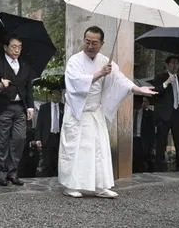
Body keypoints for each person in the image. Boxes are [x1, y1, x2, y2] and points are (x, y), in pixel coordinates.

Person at [59, 26, 156, 198]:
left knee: (98, 150)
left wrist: (137, 89)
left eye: (94, 43)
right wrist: (98, 74)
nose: (89, 46)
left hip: (95, 111)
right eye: (87, 42)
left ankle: (100, 186)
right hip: (77, 112)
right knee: (76, 149)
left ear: (102, 44)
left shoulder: (106, 61)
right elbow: (74, 83)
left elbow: (120, 80)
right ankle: (70, 185)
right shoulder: (74, 60)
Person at [0, 34, 35, 187]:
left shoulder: (24, 65)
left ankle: (13, 173)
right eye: (13, 46)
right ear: (5, 47)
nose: (17, 50)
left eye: (19, 47)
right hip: (3, 107)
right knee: (2, 141)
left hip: (20, 107)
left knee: (19, 139)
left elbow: (28, 87)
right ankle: (1, 173)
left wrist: (30, 106)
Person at [152, 55, 179, 172]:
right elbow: (155, 92)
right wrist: (167, 82)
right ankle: (160, 167)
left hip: (178, 113)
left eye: (177, 63)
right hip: (164, 114)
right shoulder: (160, 77)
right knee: (161, 141)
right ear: (167, 65)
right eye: (172, 63)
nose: (175, 66)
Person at [35, 88, 64, 177]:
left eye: (58, 94)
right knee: (46, 161)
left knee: (58, 161)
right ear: (51, 95)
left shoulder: (64, 107)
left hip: (59, 137)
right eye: (54, 94)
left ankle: (56, 178)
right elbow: (39, 124)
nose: (56, 96)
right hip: (48, 137)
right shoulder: (44, 107)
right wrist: (38, 139)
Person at [132, 96, 155, 173]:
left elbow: (151, 129)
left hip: (142, 138)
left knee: (142, 157)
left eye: (144, 101)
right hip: (132, 137)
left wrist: (152, 143)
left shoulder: (149, 114)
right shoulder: (130, 111)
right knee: (135, 157)